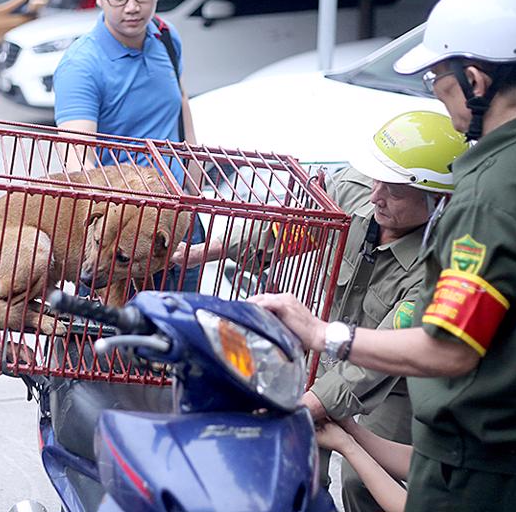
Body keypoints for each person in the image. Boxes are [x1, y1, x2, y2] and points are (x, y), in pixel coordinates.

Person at [252, 0, 516, 512]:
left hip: (479, 467)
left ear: (474, 81)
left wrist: (322, 333)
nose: (435, 91)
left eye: (438, 79)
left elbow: (447, 348)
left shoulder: (491, 192)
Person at [175, 110, 467, 512]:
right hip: (320, 349)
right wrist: (205, 252)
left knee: (365, 484)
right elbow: (288, 225)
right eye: (377, 179)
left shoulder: (442, 265)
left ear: (438, 200)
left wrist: (312, 405)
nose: (376, 195)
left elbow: (376, 363)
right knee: (294, 463)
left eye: (395, 191)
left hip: (395, 378)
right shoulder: (355, 189)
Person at [53, 0, 202, 292]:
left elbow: (181, 110)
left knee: (177, 338)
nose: (132, 7)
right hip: (119, 237)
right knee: (110, 343)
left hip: (178, 222)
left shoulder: (167, 38)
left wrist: (195, 192)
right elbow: (76, 155)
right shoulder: (81, 65)